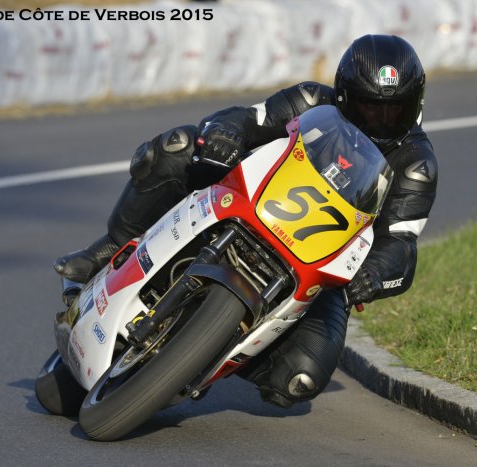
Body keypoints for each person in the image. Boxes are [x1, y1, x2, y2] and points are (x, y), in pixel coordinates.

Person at [54, 34, 438, 408]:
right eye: (370, 108)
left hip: (319, 268)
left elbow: (400, 243)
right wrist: (226, 132)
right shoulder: (310, 100)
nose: (381, 121)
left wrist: (374, 275)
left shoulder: (416, 165)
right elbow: (247, 118)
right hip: (249, 200)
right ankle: (106, 249)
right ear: (343, 95)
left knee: (298, 379)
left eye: (395, 111)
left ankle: (208, 351)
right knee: (177, 147)